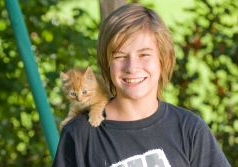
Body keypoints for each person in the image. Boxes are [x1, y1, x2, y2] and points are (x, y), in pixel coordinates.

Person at [52, 3, 230, 167]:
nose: (132, 67)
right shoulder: (80, 135)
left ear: (163, 60)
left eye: (144, 54)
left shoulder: (189, 128)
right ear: (107, 64)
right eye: (120, 56)